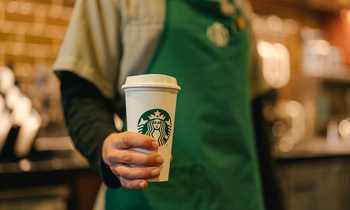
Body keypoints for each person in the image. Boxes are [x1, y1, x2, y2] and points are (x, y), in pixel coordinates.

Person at [53, 0, 284, 209]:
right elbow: (81, 93)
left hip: (238, 197)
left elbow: (254, 117)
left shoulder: (241, 7)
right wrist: (105, 145)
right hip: (154, 200)